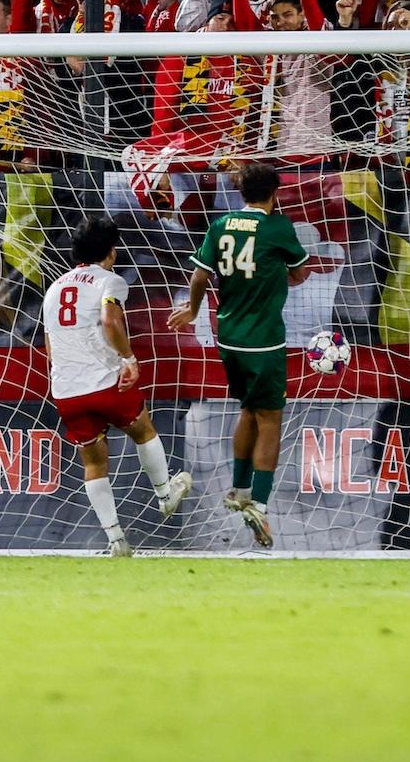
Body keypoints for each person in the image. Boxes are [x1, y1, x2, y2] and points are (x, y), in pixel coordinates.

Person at [171, 164, 313, 549]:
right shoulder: (278, 227)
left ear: (241, 193)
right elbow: (300, 274)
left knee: (248, 409)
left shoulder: (220, 225)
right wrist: (274, 273)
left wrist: (194, 310)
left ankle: (239, 488)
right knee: (270, 419)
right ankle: (260, 506)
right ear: (275, 193)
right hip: (264, 339)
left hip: (228, 336)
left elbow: (199, 277)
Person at [42, 218, 193, 557]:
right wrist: (128, 358)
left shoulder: (54, 289)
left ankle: (116, 540)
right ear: (111, 252)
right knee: (143, 430)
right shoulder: (110, 281)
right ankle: (165, 495)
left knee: (93, 464)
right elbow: (111, 320)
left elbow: (50, 347)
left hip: (67, 390)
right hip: (106, 382)